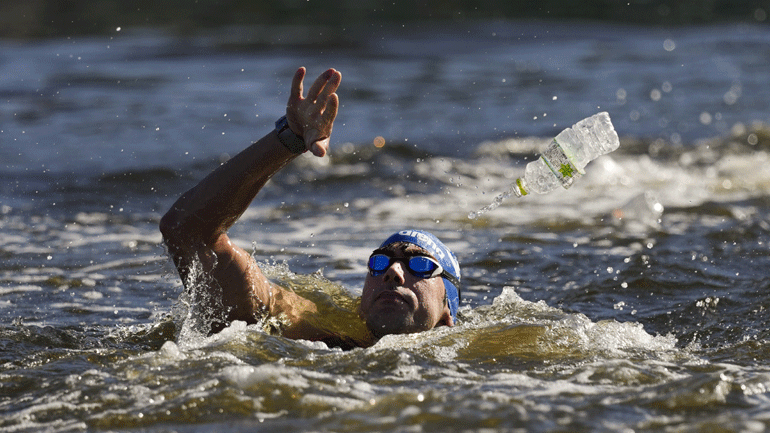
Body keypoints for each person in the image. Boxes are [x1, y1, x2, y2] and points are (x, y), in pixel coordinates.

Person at [160, 67, 461, 349]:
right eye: (379, 262)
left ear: (447, 311)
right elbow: (186, 229)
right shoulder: (310, 328)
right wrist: (288, 139)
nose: (393, 272)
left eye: (420, 265)